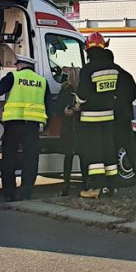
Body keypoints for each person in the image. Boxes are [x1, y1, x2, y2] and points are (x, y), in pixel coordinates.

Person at [0, 54, 50, 202]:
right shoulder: (42, 81)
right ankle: (26, 192)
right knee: (30, 160)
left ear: (19, 65)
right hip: (32, 126)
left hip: (14, 125)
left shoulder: (14, 77)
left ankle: (9, 193)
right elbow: (49, 106)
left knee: (8, 159)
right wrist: (46, 126)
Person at [76, 32, 120, 198]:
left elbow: (83, 95)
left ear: (87, 49)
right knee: (109, 151)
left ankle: (95, 188)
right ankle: (112, 187)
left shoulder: (88, 69)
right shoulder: (113, 68)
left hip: (90, 118)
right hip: (108, 117)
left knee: (94, 154)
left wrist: (76, 103)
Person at [105, 48, 136, 190]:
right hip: (124, 118)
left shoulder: (104, 75)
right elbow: (134, 93)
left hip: (109, 118)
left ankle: (111, 185)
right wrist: (123, 103)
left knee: (110, 151)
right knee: (131, 150)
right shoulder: (125, 75)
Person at [54, 66, 84, 195]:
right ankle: (85, 183)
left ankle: (66, 185)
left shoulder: (67, 90)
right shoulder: (79, 91)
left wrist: (66, 111)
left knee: (70, 156)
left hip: (70, 127)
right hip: (78, 127)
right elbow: (59, 107)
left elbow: (58, 108)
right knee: (81, 156)